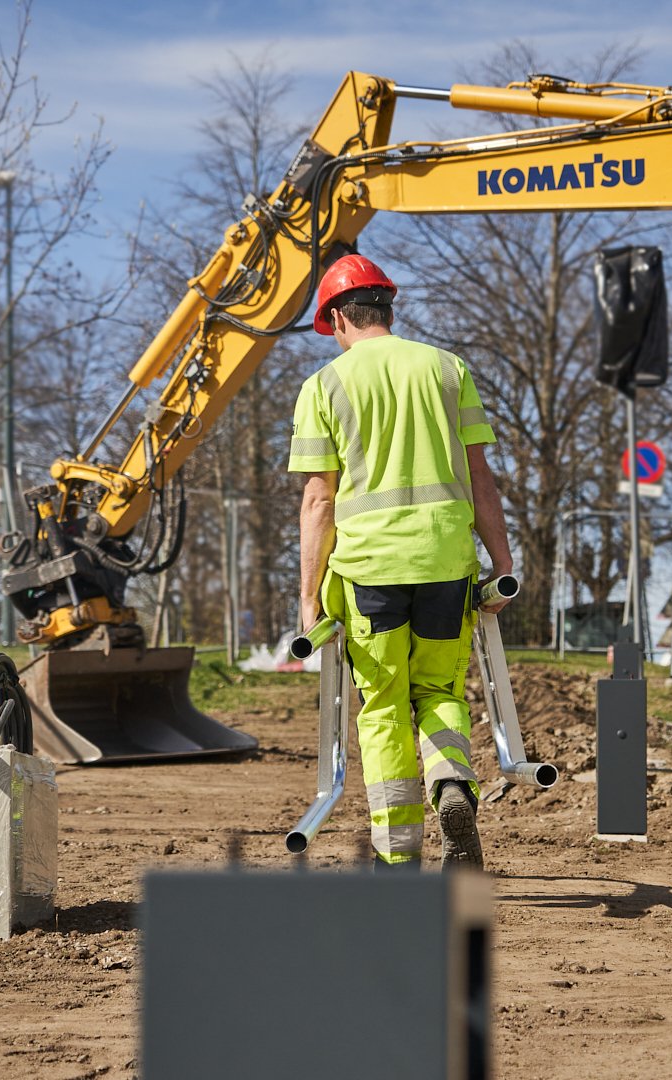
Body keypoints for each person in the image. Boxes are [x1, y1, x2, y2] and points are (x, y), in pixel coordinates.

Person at [289, 253, 514, 872]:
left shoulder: (325, 386)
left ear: (337, 315)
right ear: (385, 307)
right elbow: (480, 476)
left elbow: (318, 499)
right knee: (439, 689)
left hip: (370, 573)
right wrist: (502, 562)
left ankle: (399, 855)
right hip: (446, 560)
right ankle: (451, 786)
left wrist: (309, 598)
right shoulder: (447, 369)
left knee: (383, 705)